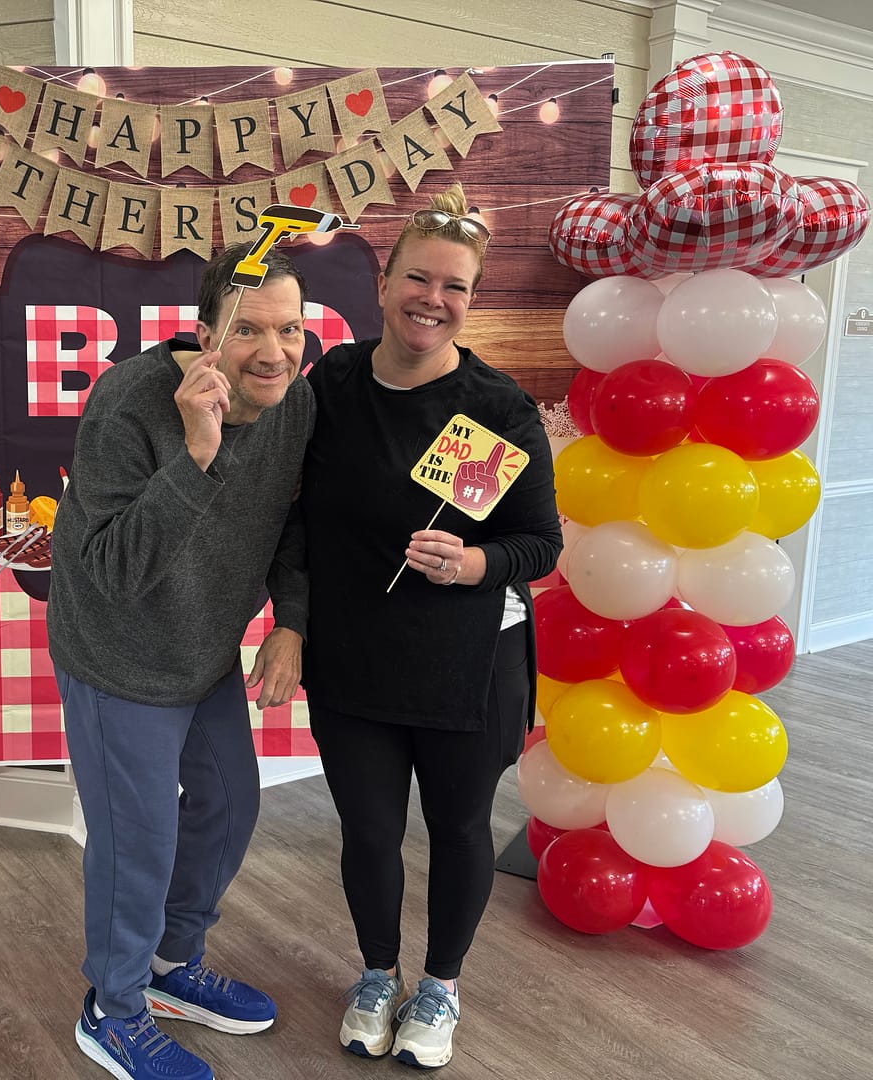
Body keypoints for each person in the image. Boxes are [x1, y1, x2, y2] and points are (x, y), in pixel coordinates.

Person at [299, 184, 561, 1069]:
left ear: (471, 298)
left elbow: (540, 544)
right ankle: (376, 973)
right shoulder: (331, 380)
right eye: (419, 277)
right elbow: (293, 511)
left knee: (458, 831)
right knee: (368, 832)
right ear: (382, 283)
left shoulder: (499, 409)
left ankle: (440, 985)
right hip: (352, 660)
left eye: (456, 287)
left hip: (465, 665)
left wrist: (475, 562)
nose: (434, 300)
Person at [47, 241, 315, 1080]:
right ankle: (113, 1007)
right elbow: (115, 571)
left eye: (291, 329)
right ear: (204, 333)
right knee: (139, 840)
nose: (273, 353)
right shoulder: (130, 403)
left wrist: (291, 622)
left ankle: (168, 965)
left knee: (229, 808)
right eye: (249, 333)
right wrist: (196, 451)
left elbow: (296, 520)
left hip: (204, 649)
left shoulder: (293, 402)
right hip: (118, 650)